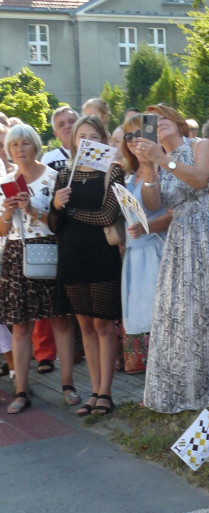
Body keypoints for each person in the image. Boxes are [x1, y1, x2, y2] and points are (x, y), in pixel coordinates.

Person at [134, 104, 209, 413]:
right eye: (152, 122)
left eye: (164, 118)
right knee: (182, 313)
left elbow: (200, 178)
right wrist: (147, 167)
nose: (159, 124)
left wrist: (161, 159)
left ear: (178, 121)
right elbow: (154, 203)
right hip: (182, 240)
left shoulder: (202, 145)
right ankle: (186, 387)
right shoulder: (158, 160)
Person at [51, 115, 126, 416]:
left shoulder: (113, 172)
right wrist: (57, 207)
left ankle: (107, 393)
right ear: (73, 141)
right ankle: (94, 391)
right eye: (82, 136)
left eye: (93, 136)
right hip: (71, 257)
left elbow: (107, 216)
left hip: (101, 256)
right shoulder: (62, 175)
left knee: (104, 325)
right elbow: (54, 225)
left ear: (104, 140)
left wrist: (69, 210)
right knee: (85, 326)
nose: (87, 141)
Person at [0, 124, 77, 413]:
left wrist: (32, 209)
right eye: (14, 145)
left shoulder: (54, 177)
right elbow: (1, 230)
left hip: (49, 248)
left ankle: (68, 385)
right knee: (20, 326)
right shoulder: (6, 181)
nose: (20, 150)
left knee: (60, 319)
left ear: (35, 145)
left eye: (25, 144)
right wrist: (8, 211)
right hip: (17, 253)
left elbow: (63, 221)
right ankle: (21, 390)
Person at [118, 114, 171, 375]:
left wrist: (148, 226)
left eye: (139, 134)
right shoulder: (129, 174)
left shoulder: (161, 167)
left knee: (162, 321)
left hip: (157, 251)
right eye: (128, 136)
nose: (133, 141)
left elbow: (174, 213)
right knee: (146, 321)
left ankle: (166, 380)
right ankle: (155, 382)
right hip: (135, 254)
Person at [35, 104, 79, 373]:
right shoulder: (51, 160)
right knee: (58, 302)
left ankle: (80, 350)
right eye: (62, 123)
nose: (68, 126)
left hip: (89, 232)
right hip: (59, 233)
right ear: (55, 130)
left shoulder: (95, 155)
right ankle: (55, 353)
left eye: (71, 121)